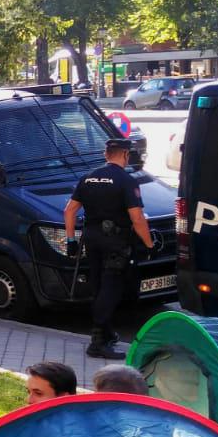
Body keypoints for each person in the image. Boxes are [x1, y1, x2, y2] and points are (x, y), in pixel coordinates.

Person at [64, 138, 154, 360]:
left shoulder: (88, 178)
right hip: (115, 242)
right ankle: (98, 342)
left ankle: (106, 333)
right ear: (125, 155)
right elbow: (137, 218)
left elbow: (69, 211)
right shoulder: (126, 180)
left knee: (98, 287)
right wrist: (148, 243)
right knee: (111, 289)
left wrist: (71, 240)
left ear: (106, 154)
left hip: (91, 240)